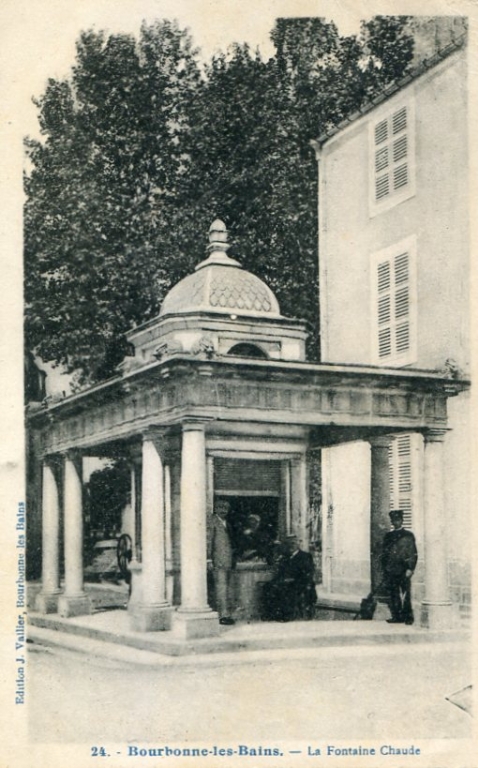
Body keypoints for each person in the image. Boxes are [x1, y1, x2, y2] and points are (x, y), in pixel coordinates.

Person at [261, 535, 317, 621]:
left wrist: (293, 579)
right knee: (268, 587)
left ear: (298, 544)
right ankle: (271, 614)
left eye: (293, 543)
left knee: (284, 589)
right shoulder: (285, 557)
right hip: (285, 581)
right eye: (289, 544)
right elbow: (281, 572)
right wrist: (277, 580)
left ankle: (286, 615)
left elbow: (308, 572)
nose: (291, 546)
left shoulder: (305, 556)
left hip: (299, 582)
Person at [381, 509, 418, 625]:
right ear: (391, 522)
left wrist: (410, 568)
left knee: (406, 594)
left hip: (403, 569)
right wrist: (385, 568)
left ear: (402, 521)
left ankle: (408, 617)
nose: (396, 522)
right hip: (391, 569)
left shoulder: (408, 535)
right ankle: (397, 617)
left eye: (398, 520)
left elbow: (413, 553)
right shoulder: (388, 536)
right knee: (394, 594)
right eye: (394, 520)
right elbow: (384, 553)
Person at [210, 500, 235, 625]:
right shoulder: (213, 522)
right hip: (218, 561)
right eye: (220, 507)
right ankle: (222, 615)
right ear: (215, 509)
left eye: (226, 508)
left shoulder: (227, 523)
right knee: (221, 588)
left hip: (228, 561)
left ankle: (226, 614)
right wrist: (209, 559)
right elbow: (209, 541)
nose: (223, 510)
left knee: (226, 589)